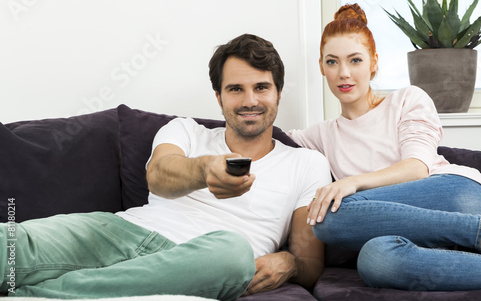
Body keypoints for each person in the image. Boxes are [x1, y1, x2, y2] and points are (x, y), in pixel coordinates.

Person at [0, 34, 332, 299]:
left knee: (234, 254)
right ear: (218, 97)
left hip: (206, 259)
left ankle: (36, 296)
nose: (249, 100)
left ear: (277, 93)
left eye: (261, 87)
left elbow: (310, 262)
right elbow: (158, 175)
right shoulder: (185, 130)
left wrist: (288, 261)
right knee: (14, 243)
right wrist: (204, 170)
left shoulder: (306, 163)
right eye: (235, 89)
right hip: (123, 231)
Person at [288, 3, 481, 291]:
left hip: (463, 197)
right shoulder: (321, 135)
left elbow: (417, 168)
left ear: (374, 62)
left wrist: (352, 183)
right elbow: (268, 139)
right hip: (424, 236)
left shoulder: (407, 99)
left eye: (355, 60)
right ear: (321, 68)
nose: (343, 73)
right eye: (332, 62)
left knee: (328, 218)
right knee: (376, 259)